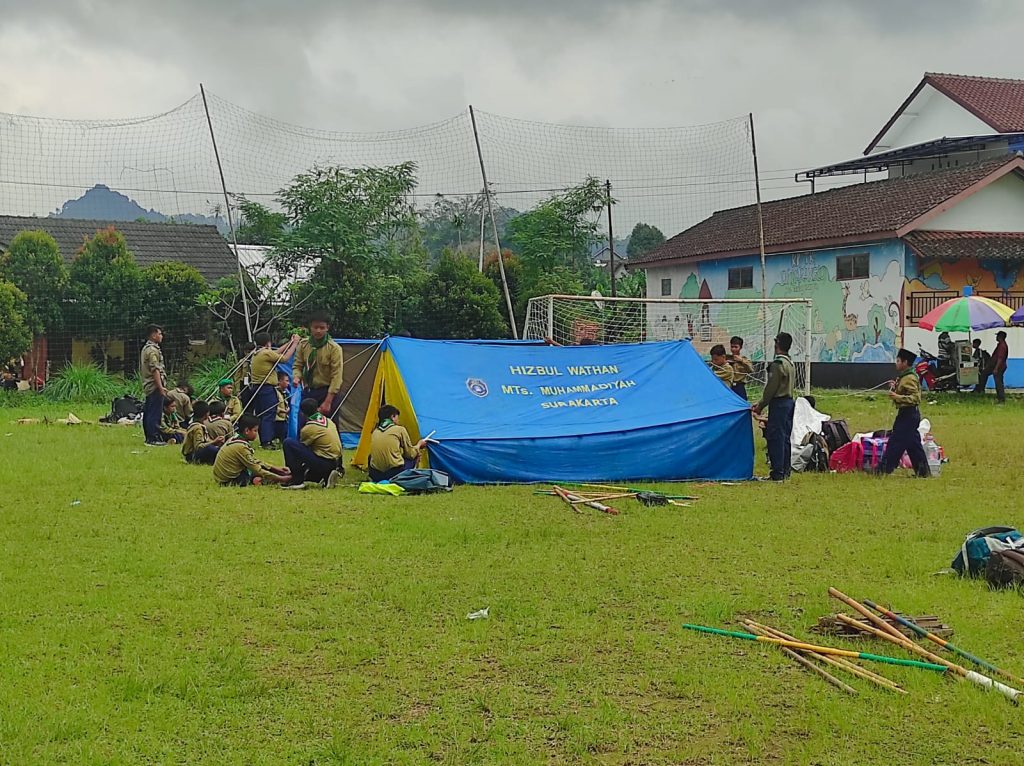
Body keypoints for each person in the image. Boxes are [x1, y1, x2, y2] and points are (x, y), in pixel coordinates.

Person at [879, 348, 930, 477]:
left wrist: (897, 397)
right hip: (906, 414)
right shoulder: (904, 377)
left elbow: (915, 398)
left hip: (909, 414)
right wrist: (895, 386)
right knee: (913, 444)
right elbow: (904, 390)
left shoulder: (910, 378)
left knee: (896, 442)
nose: (896, 363)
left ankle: (884, 469)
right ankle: (923, 471)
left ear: (905, 362)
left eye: (898, 361)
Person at [752, 332, 795, 481]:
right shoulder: (790, 363)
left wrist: (760, 405)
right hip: (789, 402)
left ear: (777, 344)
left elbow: (771, 388)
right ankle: (785, 470)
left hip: (779, 404)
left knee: (776, 437)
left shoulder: (777, 365)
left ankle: (777, 473)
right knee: (785, 438)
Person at [248, 332, 301, 448]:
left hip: (258, 388)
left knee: (262, 415)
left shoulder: (258, 353)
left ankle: (265, 440)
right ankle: (267, 441)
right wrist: (295, 344)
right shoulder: (266, 353)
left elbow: (275, 353)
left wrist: (289, 343)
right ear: (268, 343)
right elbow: (285, 359)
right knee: (268, 414)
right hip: (266, 388)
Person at [281, 398, 344, 489]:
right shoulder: (329, 421)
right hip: (335, 461)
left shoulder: (309, 428)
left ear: (302, 413)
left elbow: (300, 452)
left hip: (323, 462)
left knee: (289, 443)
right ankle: (326, 476)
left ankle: (297, 480)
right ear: (317, 409)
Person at [212, 414, 291, 487]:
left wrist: (276, 469)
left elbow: (254, 461)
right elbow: (257, 469)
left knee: (259, 471)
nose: (256, 434)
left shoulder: (234, 438)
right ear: (247, 431)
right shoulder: (240, 447)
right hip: (229, 480)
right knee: (259, 477)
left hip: (222, 477)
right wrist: (281, 479)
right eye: (255, 430)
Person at [293, 313, 344, 422]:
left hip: (327, 392)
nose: (318, 331)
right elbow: (297, 365)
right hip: (308, 391)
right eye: (315, 327)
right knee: (305, 424)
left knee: (328, 426)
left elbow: (337, 377)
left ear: (327, 328)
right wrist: (296, 377)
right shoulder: (303, 345)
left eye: (322, 328)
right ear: (310, 328)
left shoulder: (334, 348)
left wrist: (328, 402)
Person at [368, 404, 427, 482]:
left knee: (370, 456)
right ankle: (407, 478)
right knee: (415, 455)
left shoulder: (375, 431)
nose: (398, 420)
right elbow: (410, 454)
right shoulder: (400, 430)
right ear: (393, 417)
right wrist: (419, 445)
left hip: (375, 474)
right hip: (394, 474)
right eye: (397, 418)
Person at [139, 324, 167, 446]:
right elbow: (155, 369)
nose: (162, 336)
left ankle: (149, 437)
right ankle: (153, 437)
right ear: (154, 334)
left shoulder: (147, 348)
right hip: (154, 385)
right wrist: (160, 387)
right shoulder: (152, 350)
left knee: (149, 411)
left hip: (149, 385)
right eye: (160, 333)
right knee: (154, 412)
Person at [181, 400, 224, 464]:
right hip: (192, 456)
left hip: (194, 454)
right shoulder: (197, 428)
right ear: (206, 414)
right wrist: (214, 442)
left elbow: (206, 441)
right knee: (211, 449)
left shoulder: (199, 425)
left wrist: (216, 443)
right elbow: (198, 446)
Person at [727, 336, 754, 400]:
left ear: (740, 347)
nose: (733, 349)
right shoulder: (727, 358)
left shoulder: (744, 359)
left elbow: (751, 370)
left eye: (736, 347)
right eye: (732, 347)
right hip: (728, 385)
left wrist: (741, 360)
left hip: (739, 386)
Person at [991, 330, 1009, 404]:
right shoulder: (1001, 345)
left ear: (1000, 337)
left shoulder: (1002, 346)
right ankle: (1000, 399)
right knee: (998, 383)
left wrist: (996, 368)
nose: (996, 337)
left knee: (999, 384)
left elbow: (1000, 358)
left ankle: (1001, 400)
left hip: (999, 367)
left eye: (997, 336)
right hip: (999, 366)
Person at [274, 372, 291, 445]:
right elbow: (273, 407)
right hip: (277, 420)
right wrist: (283, 411)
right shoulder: (274, 392)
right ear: (280, 381)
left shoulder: (286, 393)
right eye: (286, 381)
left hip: (285, 419)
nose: (288, 383)